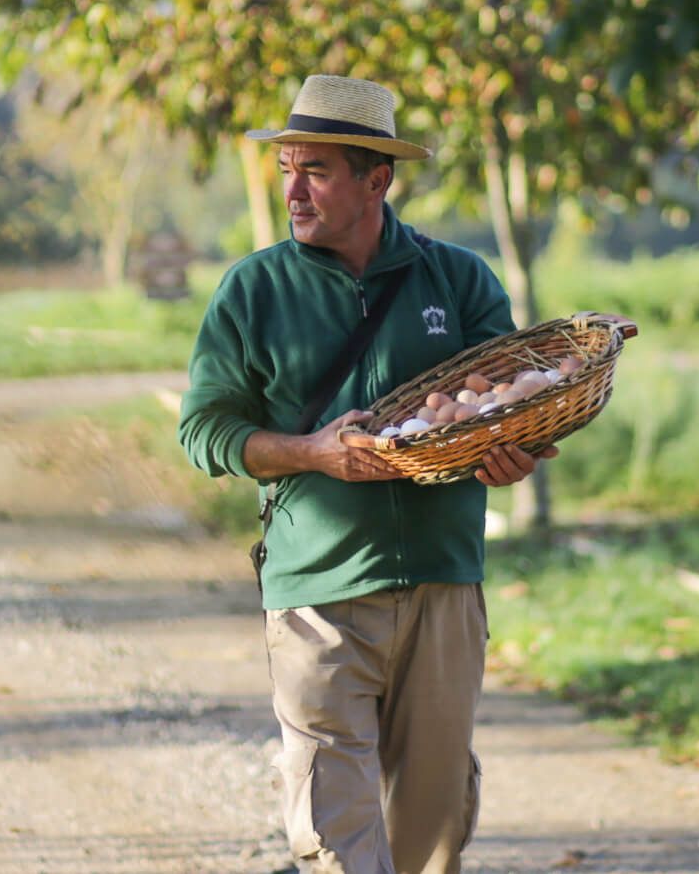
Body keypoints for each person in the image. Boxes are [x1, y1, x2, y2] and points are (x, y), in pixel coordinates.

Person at [176, 73, 553, 874]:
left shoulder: (458, 280)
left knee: (433, 822)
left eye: (315, 169)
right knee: (336, 826)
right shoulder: (253, 289)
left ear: (375, 178)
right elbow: (204, 430)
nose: (294, 190)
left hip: (444, 583)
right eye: (286, 169)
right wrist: (312, 451)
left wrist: (509, 455)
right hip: (316, 589)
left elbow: (509, 398)